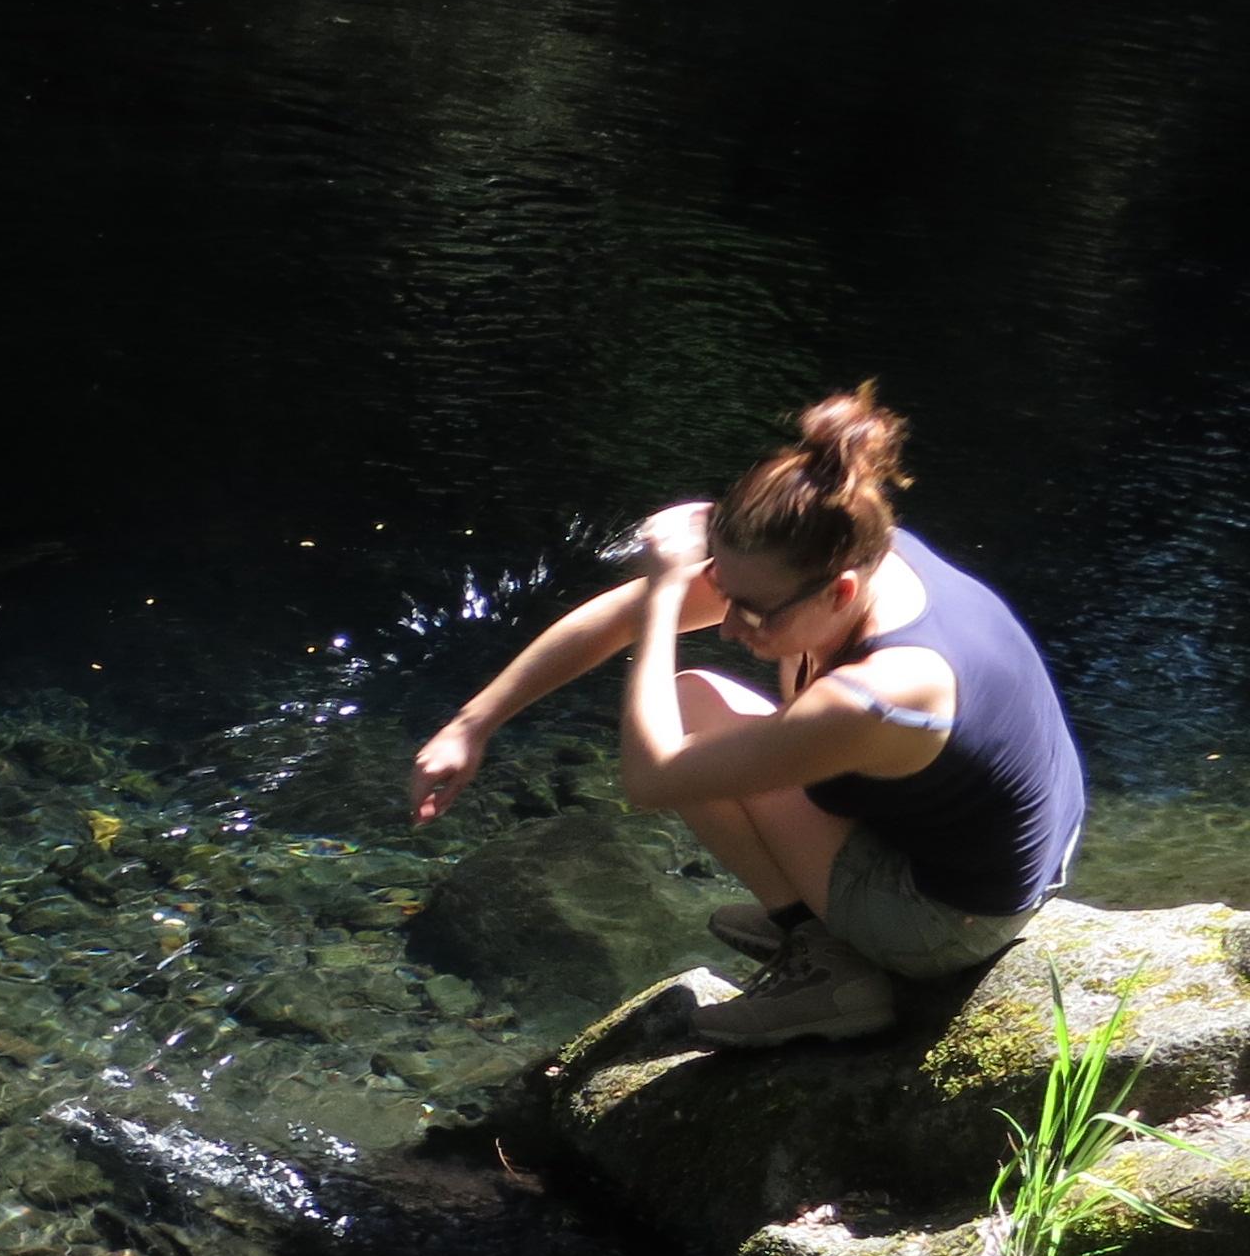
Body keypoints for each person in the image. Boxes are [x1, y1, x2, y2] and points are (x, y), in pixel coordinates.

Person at [406, 387, 1084, 1049]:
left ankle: (824, 963)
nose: (729, 626)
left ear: (841, 588)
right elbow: (618, 616)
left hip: (946, 921)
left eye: (752, 610)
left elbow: (652, 777)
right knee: (703, 691)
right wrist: (473, 723)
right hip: (996, 852)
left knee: (685, 721)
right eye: (725, 593)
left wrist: (666, 596)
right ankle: (822, 917)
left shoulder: (879, 693)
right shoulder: (864, 548)